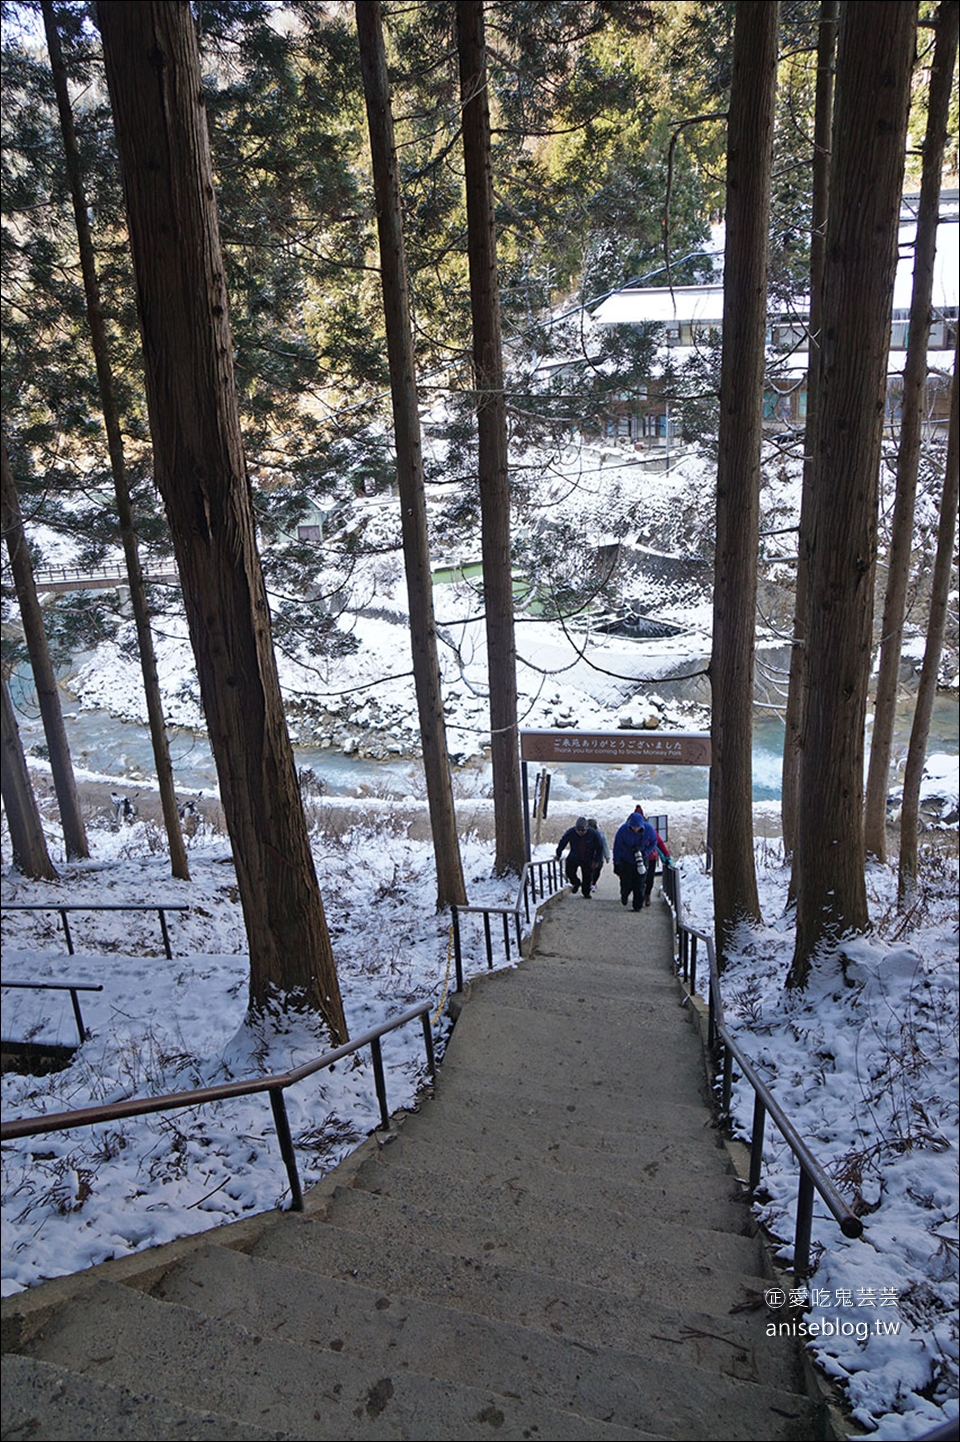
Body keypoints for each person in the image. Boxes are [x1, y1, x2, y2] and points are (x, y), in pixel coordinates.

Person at [613, 811, 657, 911]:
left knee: (640, 883)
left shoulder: (649, 829)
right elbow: (617, 847)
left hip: (641, 858)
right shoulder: (623, 830)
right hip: (626, 859)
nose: (635, 829)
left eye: (637, 827)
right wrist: (616, 862)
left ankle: (638, 905)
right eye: (633, 827)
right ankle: (624, 894)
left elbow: (654, 842)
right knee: (626, 882)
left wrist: (646, 852)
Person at [555, 816, 603, 898]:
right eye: (578, 830)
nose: (580, 832)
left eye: (583, 830)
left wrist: (596, 860)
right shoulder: (571, 832)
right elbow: (563, 842)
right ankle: (576, 882)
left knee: (587, 876)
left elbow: (599, 847)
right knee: (569, 871)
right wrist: (558, 853)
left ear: (587, 829)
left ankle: (586, 892)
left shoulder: (593, 834)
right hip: (575, 855)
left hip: (588, 857)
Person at [587, 816, 610, 889]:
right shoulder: (586, 833)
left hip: (598, 855)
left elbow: (605, 845)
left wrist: (607, 856)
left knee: (597, 870)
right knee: (589, 870)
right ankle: (591, 882)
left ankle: (593, 882)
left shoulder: (601, 834)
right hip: (589, 855)